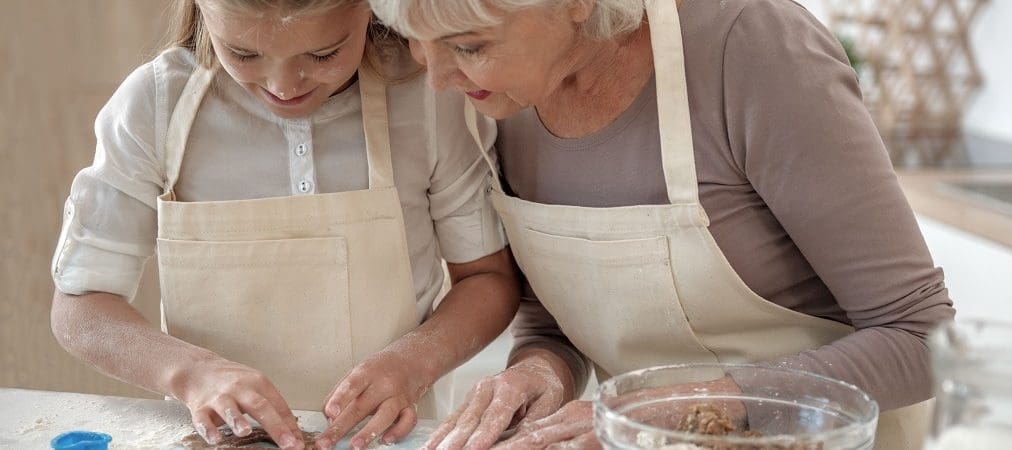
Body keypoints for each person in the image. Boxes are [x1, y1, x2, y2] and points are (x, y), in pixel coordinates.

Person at [371, 0, 956, 448]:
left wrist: (681, 409)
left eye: (468, 46)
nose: (437, 80)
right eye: (418, 44)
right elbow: (559, 323)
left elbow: (922, 337)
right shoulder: (500, 97)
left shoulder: (750, 48)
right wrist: (539, 373)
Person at [48, 1, 519, 449]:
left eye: (322, 53)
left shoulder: (425, 98)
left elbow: (486, 279)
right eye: (244, 53)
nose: (284, 84)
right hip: (216, 439)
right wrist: (191, 372)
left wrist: (415, 362)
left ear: (369, 11)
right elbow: (82, 307)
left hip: (385, 439)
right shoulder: (155, 105)